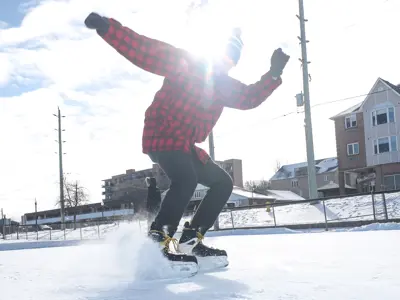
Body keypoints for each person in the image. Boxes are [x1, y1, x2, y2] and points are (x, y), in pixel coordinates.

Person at [84, 12, 290, 266]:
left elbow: (249, 98)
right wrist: (107, 28)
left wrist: (273, 73)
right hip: (161, 133)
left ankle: (191, 239)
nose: (224, 62)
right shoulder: (183, 62)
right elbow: (144, 50)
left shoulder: (223, 85)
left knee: (222, 182)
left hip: (184, 145)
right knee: (186, 178)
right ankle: (158, 239)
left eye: (230, 59)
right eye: (223, 55)